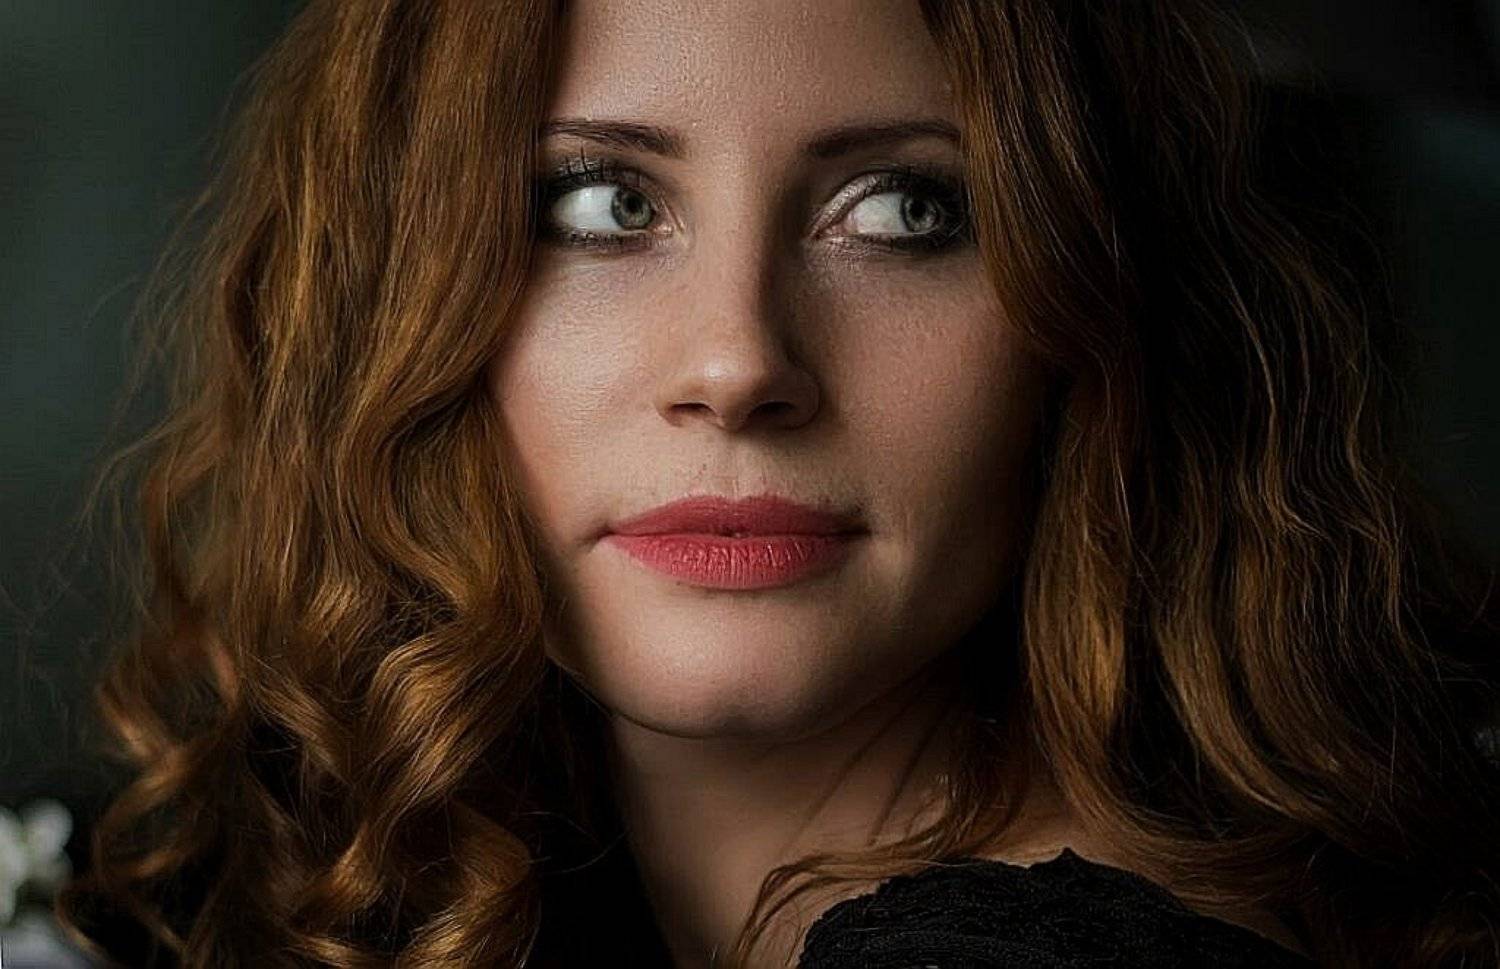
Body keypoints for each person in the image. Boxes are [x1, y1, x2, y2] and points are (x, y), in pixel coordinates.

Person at [53, 0, 1500, 966]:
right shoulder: (380, 854)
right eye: (603, 202)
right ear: (388, 302)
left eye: (907, 209)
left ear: (1094, 318)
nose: (739, 362)